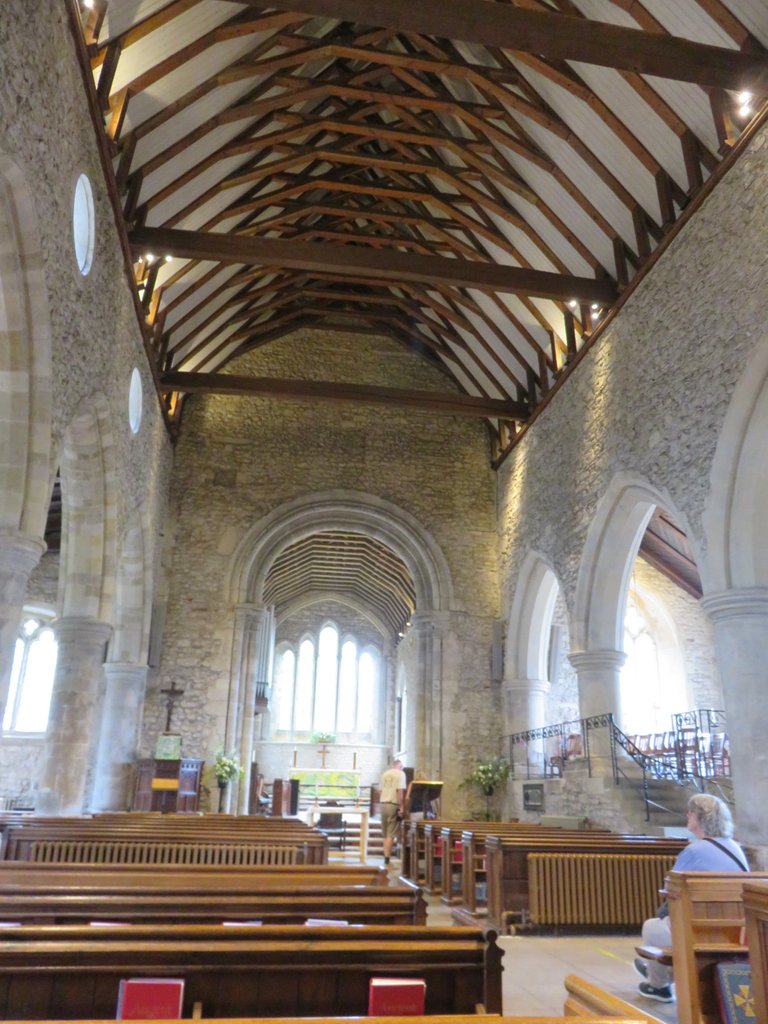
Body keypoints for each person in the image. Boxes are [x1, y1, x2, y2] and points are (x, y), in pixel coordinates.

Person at [635, 793, 749, 1003]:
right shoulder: (736, 848)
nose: (687, 815)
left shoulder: (694, 850)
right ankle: (660, 974)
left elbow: (670, 889)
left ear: (699, 818)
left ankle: (659, 985)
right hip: (735, 929)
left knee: (652, 926)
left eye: (690, 813)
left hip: (700, 929)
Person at [379, 757, 406, 865]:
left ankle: (385, 856)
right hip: (392, 804)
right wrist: (401, 806)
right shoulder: (400, 774)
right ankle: (387, 858)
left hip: (383, 804)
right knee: (390, 833)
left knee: (385, 833)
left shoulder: (384, 774)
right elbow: (399, 791)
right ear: (400, 766)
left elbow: (380, 790)